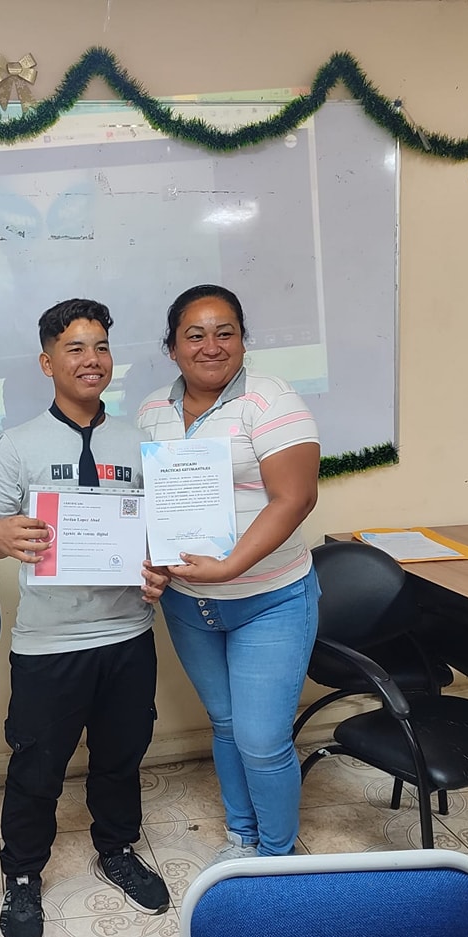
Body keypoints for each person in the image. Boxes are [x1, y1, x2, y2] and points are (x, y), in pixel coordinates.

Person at [0, 298, 170, 937]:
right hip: (49, 644)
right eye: (76, 348)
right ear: (47, 362)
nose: (92, 360)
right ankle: (23, 873)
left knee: (121, 756)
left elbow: (161, 531)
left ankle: (116, 849)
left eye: (102, 346)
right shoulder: (20, 443)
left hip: (128, 636)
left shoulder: (139, 443)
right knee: (37, 767)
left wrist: (161, 569)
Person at [136, 283, 320, 862]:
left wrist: (229, 567)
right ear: (172, 347)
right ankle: (242, 836)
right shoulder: (150, 411)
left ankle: (276, 857)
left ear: (243, 340)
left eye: (225, 333)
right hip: (189, 605)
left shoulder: (270, 399)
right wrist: (153, 565)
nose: (211, 346)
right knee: (225, 724)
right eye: (195, 335)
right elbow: (149, 504)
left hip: (270, 598)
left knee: (262, 740)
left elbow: (295, 497)